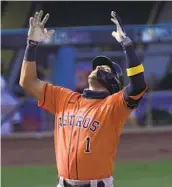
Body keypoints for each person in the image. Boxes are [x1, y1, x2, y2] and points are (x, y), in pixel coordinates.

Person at [19, 10, 147, 187]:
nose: (98, 68)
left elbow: (138, 85)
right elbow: (27, 81)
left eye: (105, 68)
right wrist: (31, 45)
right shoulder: (64, 98)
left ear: (114, 83)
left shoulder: (113, 106)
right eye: (97, 66)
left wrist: (128, 46)